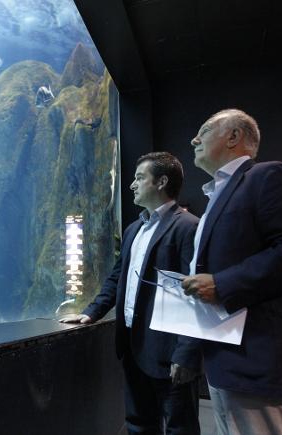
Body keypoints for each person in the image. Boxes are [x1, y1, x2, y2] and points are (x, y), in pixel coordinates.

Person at [181, 109, 282, 434]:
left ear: (233, 136)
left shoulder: (268, 176)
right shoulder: (217, 197)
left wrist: (223, 284)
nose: (194, 139)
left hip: (259, 360)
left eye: (204, 130)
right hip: (225, 358)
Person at [60, 152, 201, 435]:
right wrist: (91, 312)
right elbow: (118, 277)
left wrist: (186, 354)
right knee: (138, 424)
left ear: (161, 181)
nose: (132, 185)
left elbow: (195, 297)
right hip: (134, 348)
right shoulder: (134, 229)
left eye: (139, 178)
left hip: (169, 353)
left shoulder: (188, 227)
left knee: (180, 428)